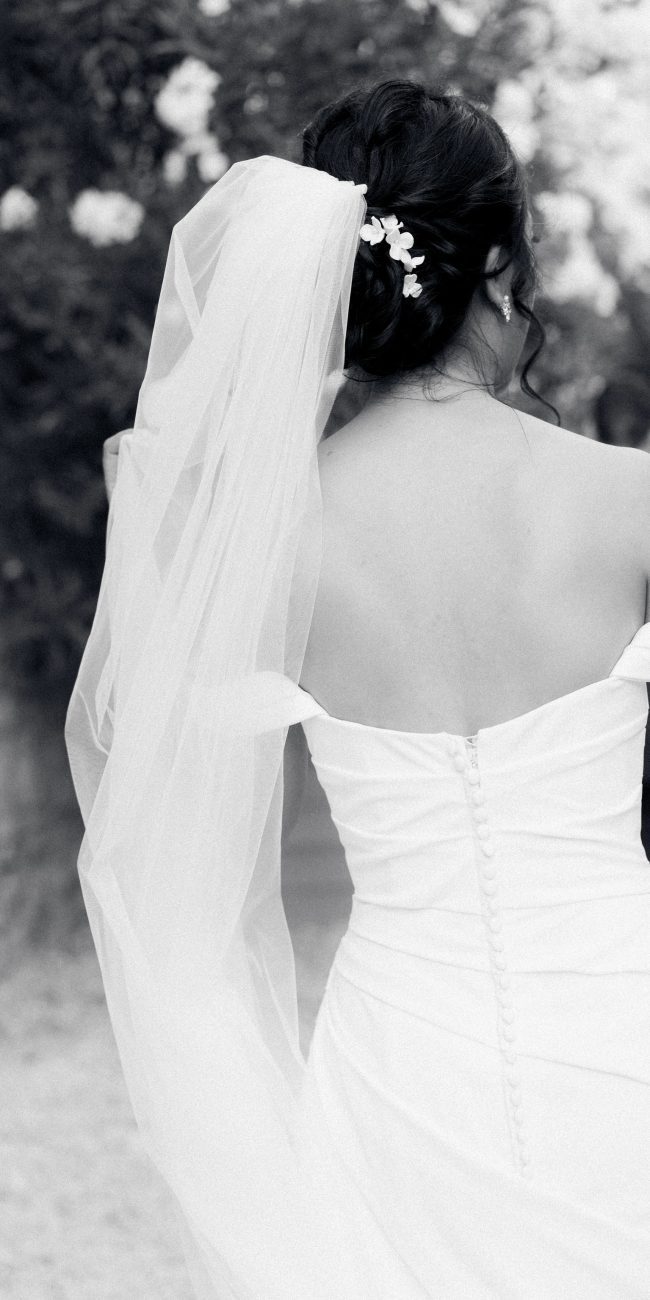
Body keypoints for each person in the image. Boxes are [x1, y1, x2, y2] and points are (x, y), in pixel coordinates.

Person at [66, 80, 650, 1298]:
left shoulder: (263, 543)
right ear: (500, 269)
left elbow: (181, 861)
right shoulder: (628, 499)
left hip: (399, 1065)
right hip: (620, 1026)